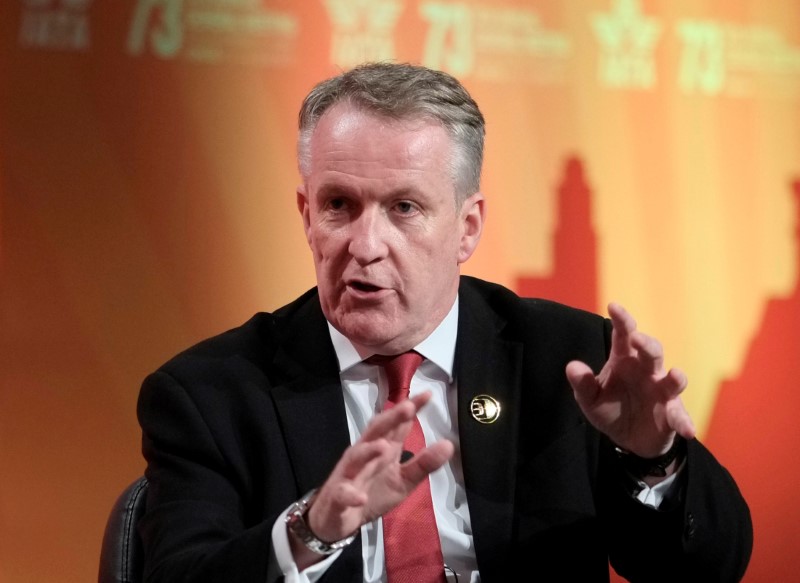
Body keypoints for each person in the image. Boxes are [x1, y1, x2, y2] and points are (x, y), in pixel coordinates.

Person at [136, 62, 753, 583]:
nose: (365, 244)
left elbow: (709, 568)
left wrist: (653, 460)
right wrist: (311, 531)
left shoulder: (565, 360)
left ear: (467, 227)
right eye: (338, 206)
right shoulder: (210, 394)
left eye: (404, 208)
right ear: (306, 213)